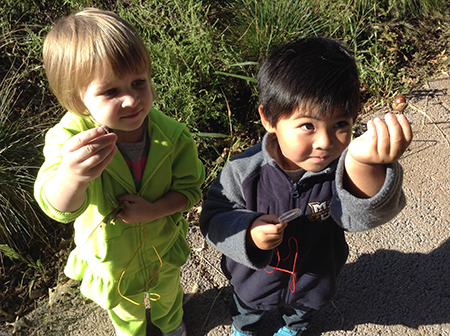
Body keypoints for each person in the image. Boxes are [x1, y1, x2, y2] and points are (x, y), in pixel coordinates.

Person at [199, 37, 412, 336]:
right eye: (308, 126)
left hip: (314, 279)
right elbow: (213, 217)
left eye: (340, 124)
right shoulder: (243, 171)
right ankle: (244, 328)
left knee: (302, 310)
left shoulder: (342, 169)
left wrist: (366, 165)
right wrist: (248, 232)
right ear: (269, 119)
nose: (325, 142)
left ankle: (293, 328)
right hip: (253, 280)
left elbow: (359, 216)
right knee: (246, 308)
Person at [34, 8, 204, 336]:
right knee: (125, 310)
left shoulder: (171, 136)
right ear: (77, 100)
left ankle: (171, 326)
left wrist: (154, 211)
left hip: (161, 249)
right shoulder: (69, 142)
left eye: (139, 82)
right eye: (110, 91)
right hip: (111, 261)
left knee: (168, 297)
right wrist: (73, 176)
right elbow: (57, 208)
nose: (131, 100)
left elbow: (191, 190)